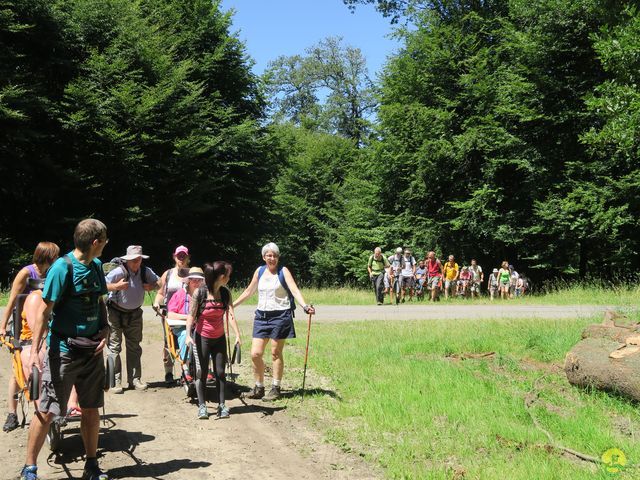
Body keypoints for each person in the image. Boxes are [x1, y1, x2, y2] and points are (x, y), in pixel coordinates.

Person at [20, 219, 110, 480]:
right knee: (48, 409)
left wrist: (105, 329)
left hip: (92, 350)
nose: (106, 243)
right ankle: (30, 467)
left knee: (91, 407)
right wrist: (36, 350)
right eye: (105, 239)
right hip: (64, 351)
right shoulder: (62, 268)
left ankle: (91, 465)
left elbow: (99, 301)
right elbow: (44, 312)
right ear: (95, 242)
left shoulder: (95, 266)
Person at [233, 242, 315, 402]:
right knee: (255, 353)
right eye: (269, 255)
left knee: (275, 353)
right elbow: (249, 291)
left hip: (280, 316)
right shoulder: (260, 271)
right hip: (261, 317)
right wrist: (232, 305)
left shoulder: (283, 271)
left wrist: (305, 306)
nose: (272, 258)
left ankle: (276, 388)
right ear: (264, 257)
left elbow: (294, 290)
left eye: (275, 255)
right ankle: (259, 387)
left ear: (278, 257)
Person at [0, 242, 59, 433]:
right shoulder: (26, 273)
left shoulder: (52, 272)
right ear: (47, 257)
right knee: (18, 372)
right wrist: (2, 326)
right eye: (54, 256)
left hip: (45, 321)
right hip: (22, 323)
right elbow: (11, 302)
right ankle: (12, 412)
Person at [185, 262, 241, 419]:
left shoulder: (225, 293)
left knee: (220, 372)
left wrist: (237, 335)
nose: (229, 278)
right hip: (201, 337)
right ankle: (202, 406)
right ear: (221, 277)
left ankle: (222, 405)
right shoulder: (200, 293)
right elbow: (191, 315)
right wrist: (188, 334)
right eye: (228, 276)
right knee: (201, 372)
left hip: (219, 338)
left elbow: (230, 314)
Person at [105, 245, 159, 393]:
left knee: (134, 346)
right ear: (127, 260)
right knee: (114, 347)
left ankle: (135, 380)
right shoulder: (117, 272)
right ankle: (115, 382)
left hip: (135, 313)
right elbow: (101, 285)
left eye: (139, 259)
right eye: (133, 260)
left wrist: (152, 286)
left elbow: (160, 283)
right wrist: (116, 286)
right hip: (114, 313)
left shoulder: (145, 271)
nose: (136, 262)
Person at [153, 245, 191, 383]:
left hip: (188, 312)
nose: (181, 258)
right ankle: (168, 372)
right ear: (174, 256)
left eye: (183, 256)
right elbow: (160, 293)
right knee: (168, 342)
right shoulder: (168, 274)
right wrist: (157, 303)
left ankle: (185, 370)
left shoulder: (192, 273)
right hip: (170, 314)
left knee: (187, 338)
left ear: (188, 257)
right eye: (178, 255)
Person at [166, 267, 205, 383]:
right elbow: (171, 314)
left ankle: (207, 368)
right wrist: (188, 317)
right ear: (188, 281)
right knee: (184, 335)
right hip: (182, 326)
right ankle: (186, 368)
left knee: (207, 338)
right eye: (194, 280)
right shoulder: (180, 295)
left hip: (199, 327)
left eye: (199, 280)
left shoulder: (205, 295)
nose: (196, 283)